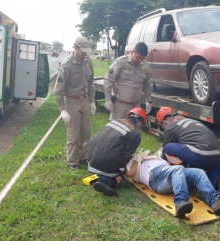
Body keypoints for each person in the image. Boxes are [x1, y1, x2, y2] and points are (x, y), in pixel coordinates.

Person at [125, 151, 220, 218]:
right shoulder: (131, 163)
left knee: (197, 172)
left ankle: (216, 201)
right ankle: (180, 203)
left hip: (171, 174)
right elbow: (130, 173)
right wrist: (136, 158)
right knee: (178, 169)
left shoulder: (150, 156)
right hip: (155, 178)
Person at [83, 108, 147, 197]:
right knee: (123, 172)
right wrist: (122, 171)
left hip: (90, 156)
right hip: (104, 161)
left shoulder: (115, 121)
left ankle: (102, 175)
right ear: (140, 122)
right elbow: (126, 155)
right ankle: (106, 182)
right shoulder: (135, 134)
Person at [156, 106, 220, 188]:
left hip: (202, 155)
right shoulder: (190, 121)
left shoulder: (171, 127)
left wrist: (161, 165)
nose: (163, 127)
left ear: (167, 119)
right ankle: (216, 183)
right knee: (206, 162)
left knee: (168, 147)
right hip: (219, 158)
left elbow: (165, 152)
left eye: (162, 124)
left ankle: (183, 173)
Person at [55, 36, 96, 170]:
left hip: (84, 101)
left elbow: (91, 83)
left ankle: (83, 157)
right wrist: (62, 110)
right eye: (82, 50)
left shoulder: (88, 62)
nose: (85, 53)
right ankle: (72, 161)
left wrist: (92, 101)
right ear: (75, 47)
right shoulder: (66, 65)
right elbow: (58, 91)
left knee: (86, 133)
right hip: (71, 101)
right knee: (73, 134)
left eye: (86, 51)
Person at [103, 42, 153, 120]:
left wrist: (149, 101)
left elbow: (146, 85)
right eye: (138, 57)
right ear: (133, 51)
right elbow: (108, 80)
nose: (140, 60)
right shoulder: (121, 62)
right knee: (117, 130)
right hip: (120, 105)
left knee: (133, 130)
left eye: (142, 58)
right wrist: (108, 99)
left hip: (135, 106)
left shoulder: (145, 67)